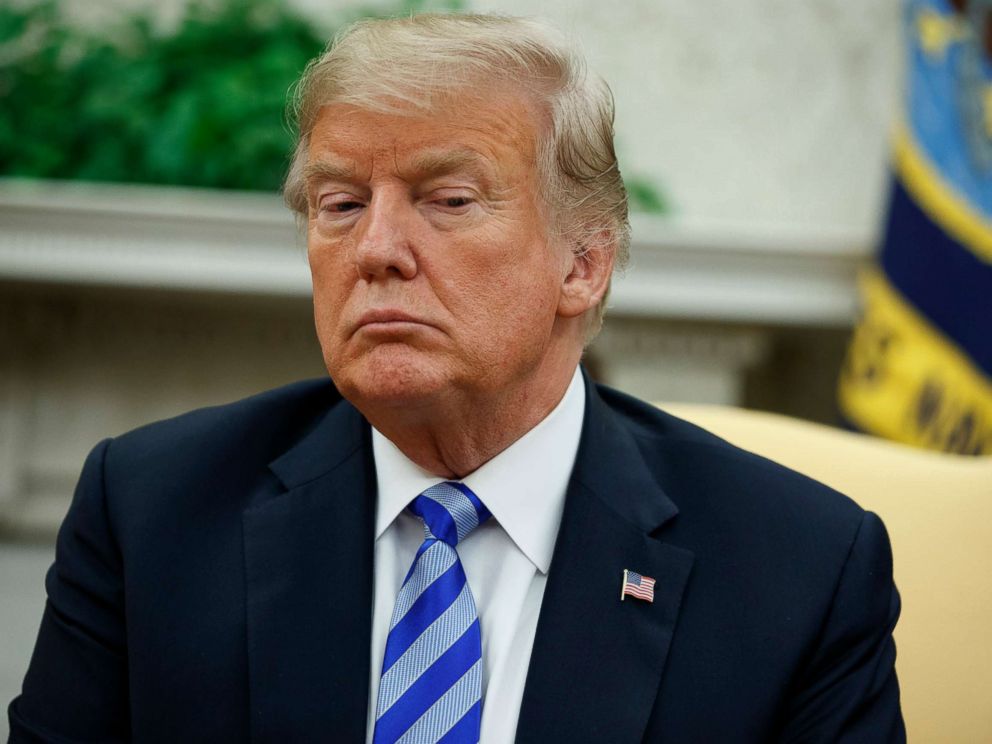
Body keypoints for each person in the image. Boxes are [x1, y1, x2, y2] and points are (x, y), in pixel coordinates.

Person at [8, 13, 904, 744]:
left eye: (449, 200)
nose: (377, 251)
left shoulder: (797, 570)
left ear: (583, 263)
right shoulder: (154, 510)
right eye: (341, 204)